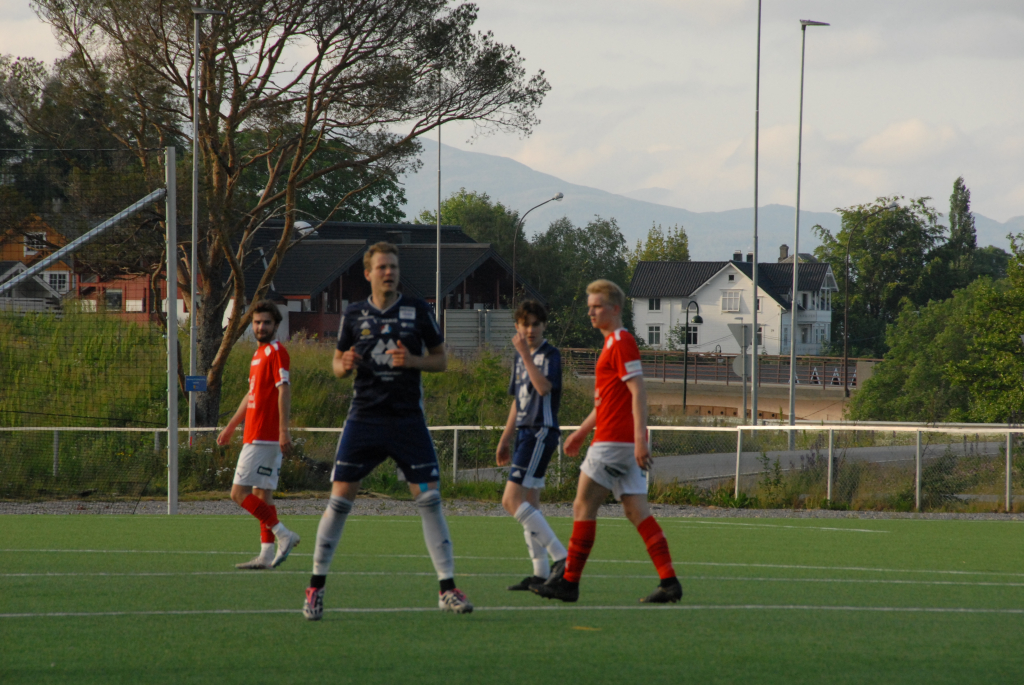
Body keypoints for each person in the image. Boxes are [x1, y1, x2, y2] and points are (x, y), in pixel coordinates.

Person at [302, 241, 473, 620]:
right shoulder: (353, 313)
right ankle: (315, 588)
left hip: (407, 420)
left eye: (393, 266)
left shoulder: (418, 309)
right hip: (364, 419)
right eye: (382, 267)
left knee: (430, 499)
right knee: (340, 501)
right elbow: (337, 363)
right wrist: (344, 364)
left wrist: (411, 360)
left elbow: (441, 360)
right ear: (368, 274)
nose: (389, 272)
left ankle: (447, 589)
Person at [532, 279, 683, 604]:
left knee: (583, 505)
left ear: (615, 309)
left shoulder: (621, 341)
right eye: (589, 307)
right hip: (618, 441)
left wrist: (641, 439)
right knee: (636, 511)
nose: (591, 312)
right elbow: (605, 403)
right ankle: (669, 581)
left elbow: (638, 390)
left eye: (597, 306)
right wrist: (581, 432)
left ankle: (569, 583)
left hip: (614, 442)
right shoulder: (611, 343)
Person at [216, 299, 301, 570]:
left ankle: (283, 534)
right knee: (262, 495)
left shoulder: (276, 352)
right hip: (255, 433)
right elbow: (251, 394)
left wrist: (283, 430)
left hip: (264, 435)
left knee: (238, 493)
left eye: (266, 322)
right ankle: (266, 555)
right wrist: (231, 425)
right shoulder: (257, 355)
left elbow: (284, 389)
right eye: (257, 322)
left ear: (276, 325)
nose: (261, 327)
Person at [496, 300, 568, 591]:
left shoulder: (550, 355)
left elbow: (543, 387)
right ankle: (540, 573)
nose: (530, 330)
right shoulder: (520, 357)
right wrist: (505, 438)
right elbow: (519, 400)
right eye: (525, 324)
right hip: (525, 433)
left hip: (541, 431)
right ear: (517, 326)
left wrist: (525, 355)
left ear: (544, 326)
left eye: (536, 324)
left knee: (511, 501)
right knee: (530, 502)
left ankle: (561, 558)